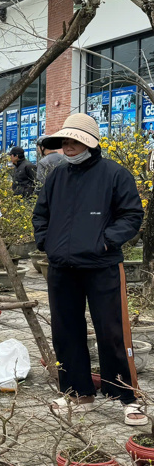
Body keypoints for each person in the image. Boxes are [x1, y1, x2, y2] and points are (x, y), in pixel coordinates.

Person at [33, 113, 145, 426]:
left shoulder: (115, 174)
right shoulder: (56, 175)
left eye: (74, 141)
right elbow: (40, 214)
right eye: (65, 141)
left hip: (102, 266)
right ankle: (77, 393)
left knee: (113, 331)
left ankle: (127, 395)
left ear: (89, 143)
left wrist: (105, 241)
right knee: (66, 332)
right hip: (61, 267)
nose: (68, 146)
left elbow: (131, 216)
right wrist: (46, 242)